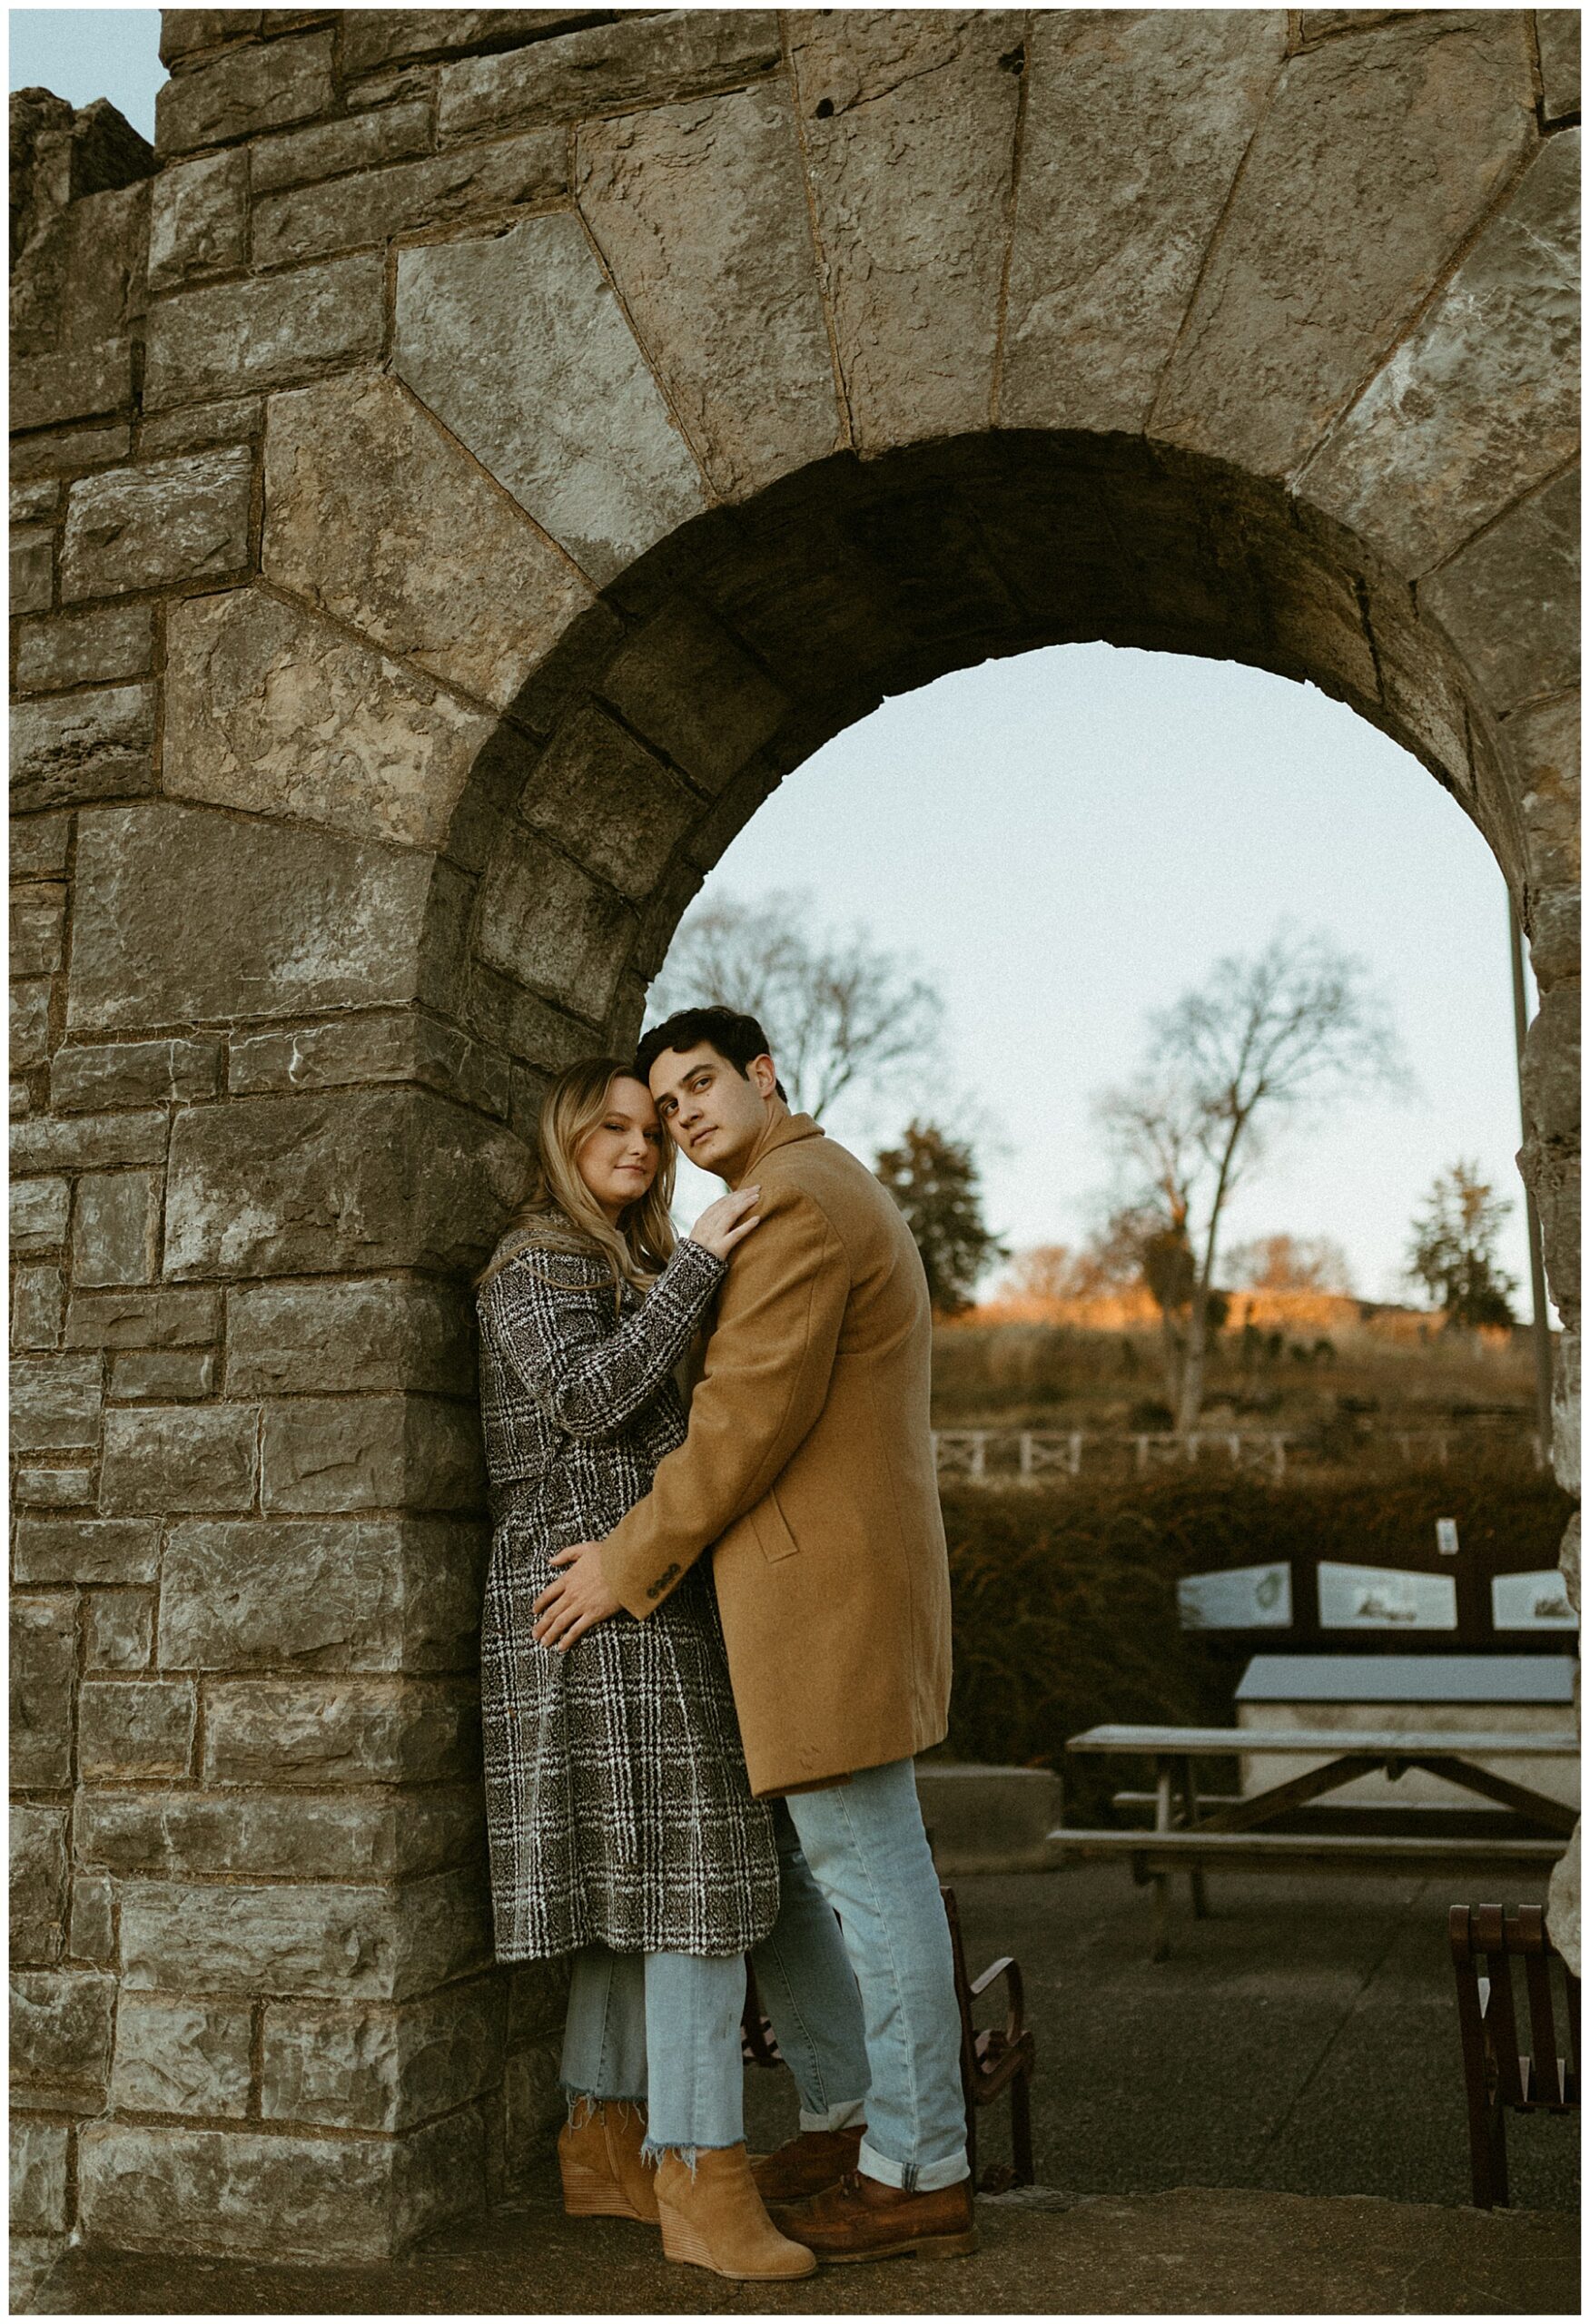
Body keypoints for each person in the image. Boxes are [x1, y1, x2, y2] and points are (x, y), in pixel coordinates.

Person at [531, 1008, 977, 2265]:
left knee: (870, 1888)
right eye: (666, 1107)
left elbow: (740, 1424)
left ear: (766, 1075)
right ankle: (857, 2125)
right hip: (814, 1598)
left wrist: (626, 1561)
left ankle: (918, 2166)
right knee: (809, 1882)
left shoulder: (795, 1202)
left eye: (701, 1087)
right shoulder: (801, 1192)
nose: (683, 1118)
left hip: (819, 1599)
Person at [474, 1056, 816, 2283]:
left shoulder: (610, 1260)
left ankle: (602, 2144)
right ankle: (697, 2172)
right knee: (693, 1878)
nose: (642, 1141)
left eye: (652, 1125)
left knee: (641, 1890)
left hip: (624, 1594)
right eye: (612, 1124)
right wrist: (702, 1268)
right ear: (564, 1139)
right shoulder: (538, 1259)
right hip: (595, 1600)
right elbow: (582, 1399)